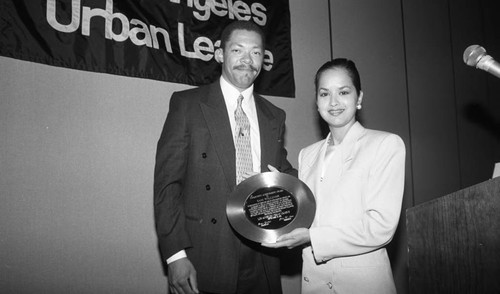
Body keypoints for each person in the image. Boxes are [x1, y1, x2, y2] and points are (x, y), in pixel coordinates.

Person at [153, 20, 296, 294]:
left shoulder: (274, 115)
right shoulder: (187, 105)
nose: (247, 60)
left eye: (255, 52)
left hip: (262, 257)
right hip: (204, 254)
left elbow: (282, 172)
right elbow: (167, 186)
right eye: (238, 50)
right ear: (220, 54)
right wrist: (176, 257)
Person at [262, 58, 406, 293]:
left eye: (344, 92)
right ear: (317, 102)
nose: (334, 102)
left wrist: (313, 238)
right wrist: (279, 190)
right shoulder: (307, 155)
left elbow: (380, 226)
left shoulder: (385, 145)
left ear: (359, 98)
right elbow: (309, 213)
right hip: (314, 284)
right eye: (325, 94)